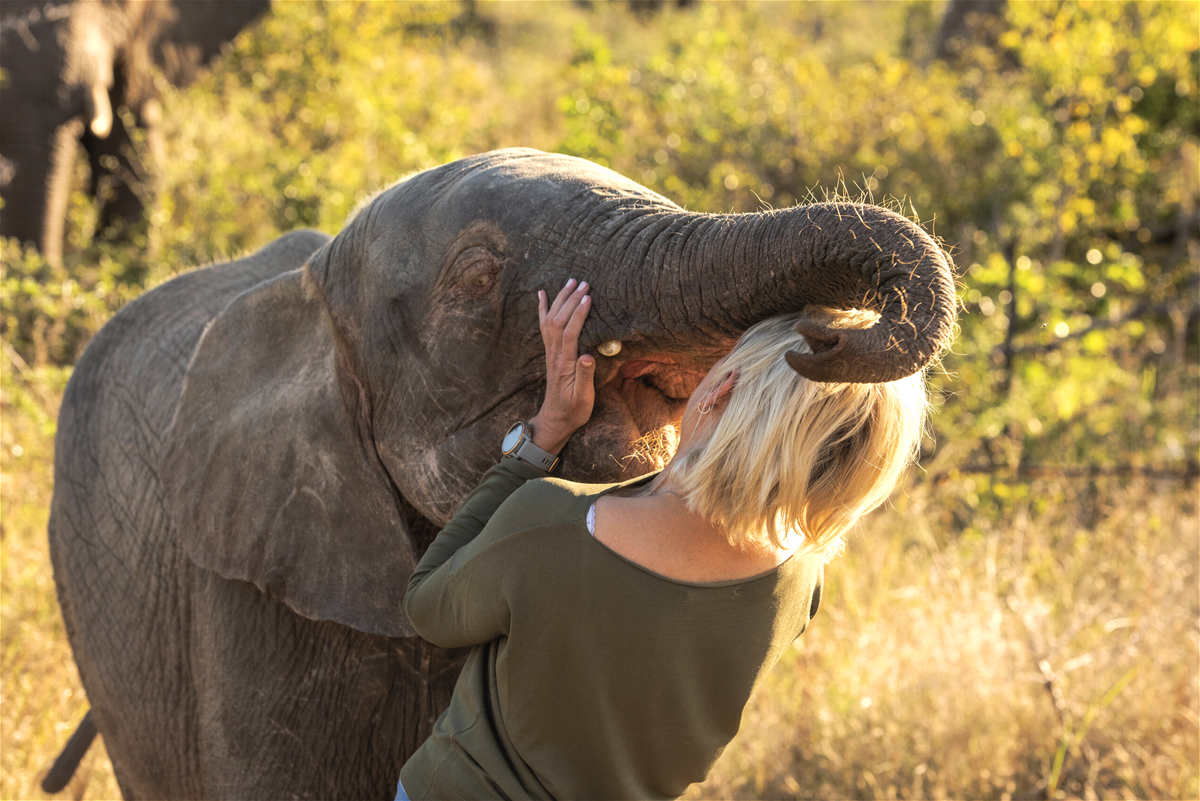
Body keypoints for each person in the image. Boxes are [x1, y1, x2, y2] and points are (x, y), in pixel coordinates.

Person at [396, 279, 930, 801]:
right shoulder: (800, 578)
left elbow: (427, 607)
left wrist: (544, 436)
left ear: (721, 388)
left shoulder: (553, 521)